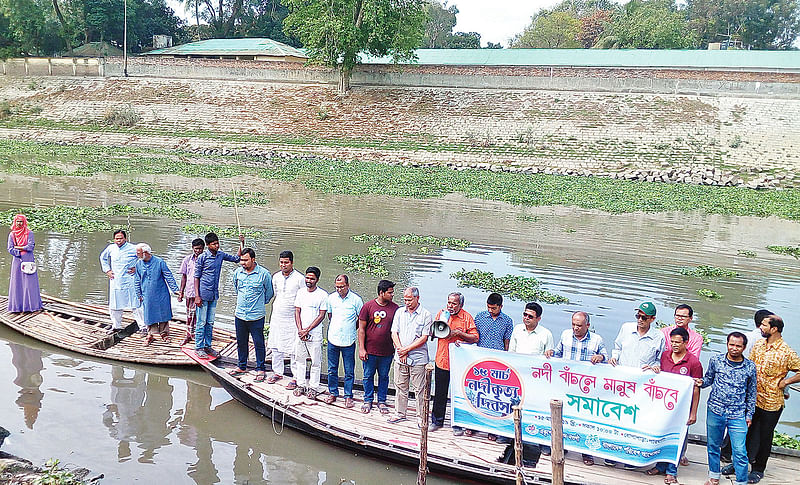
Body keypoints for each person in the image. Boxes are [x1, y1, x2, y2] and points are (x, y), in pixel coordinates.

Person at [735, 315, 800, 483]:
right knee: (745, 432)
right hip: (752, 398)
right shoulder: (758, 345)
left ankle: (758, 469)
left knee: (765, 436)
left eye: (764, 325)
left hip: (771, 402)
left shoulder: (786, 352)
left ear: (774, 329)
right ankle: (739, 464)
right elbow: (749, 367)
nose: (761, 328)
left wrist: (786, 382)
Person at [545, 311, 607, 465]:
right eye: (573, 324)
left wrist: (600, 357)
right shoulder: (566, 335)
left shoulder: (596, 340)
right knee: (562, 417)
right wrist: (551, 352)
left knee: (585, 419)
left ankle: (586, 453)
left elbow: (605, 357)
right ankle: (561, 447)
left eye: (579, 325)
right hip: (565, 385)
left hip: (585, 389)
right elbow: (558, 353)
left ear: (587, 325)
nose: (575, 328)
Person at [696, 332, 756, 485]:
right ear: (727, 344)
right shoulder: (716, 360)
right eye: (731, 345)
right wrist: (699, 382)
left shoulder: (750, 366)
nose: (734, 348)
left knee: (740, 450)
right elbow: (708, 379)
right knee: (713, 446)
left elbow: (752, 392)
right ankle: (714, 476)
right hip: (715, 410)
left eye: (738, 346)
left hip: (738, 414)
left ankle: (741, 481)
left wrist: (749, 414)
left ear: (743, 347)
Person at [647, 327, 703, 483]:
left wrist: (693, 412)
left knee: (676, 439)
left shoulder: (693, 362)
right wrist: (654, 369)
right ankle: (660, 465)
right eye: (672, 342)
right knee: (661, 435)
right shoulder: (665, 356)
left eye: (678, 342)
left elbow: (696, 389)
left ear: (686, 342)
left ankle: (671, 470)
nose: (674, 345)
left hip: (682, 409)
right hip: (664, 405)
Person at [430, 292, 478, 435]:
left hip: (459, 364)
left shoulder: (466, 317)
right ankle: (437, 421)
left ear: (461, 305)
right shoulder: (442, 313)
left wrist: (458, 334)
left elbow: (475, 338)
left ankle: (458, 424)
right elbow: (432, 334)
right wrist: (436, 329)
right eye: (449, 303)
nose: (450, 306)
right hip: (442, 360)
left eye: (454, 304)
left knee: (459, 395)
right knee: (440, 393)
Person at [470, 292, 515, 439]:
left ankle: (492, 429)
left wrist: (506, 361)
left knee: (495, 396)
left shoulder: (507, 321)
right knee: (477, 393)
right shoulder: (480, 317)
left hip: (497, 365)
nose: (490, 310)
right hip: (480, 362)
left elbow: (507, 343)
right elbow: (474, 337)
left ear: (501, 306)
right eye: (489, 307)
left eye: (494, 308)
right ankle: (473, 425)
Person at [388, 287, 433, 426]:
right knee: (401, 386)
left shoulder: (425, 315)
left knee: (420, 389)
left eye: (409, 300)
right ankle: (400, 413)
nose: (407, 302)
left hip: (418, 358)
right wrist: (400, 349)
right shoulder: (400, 312)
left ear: (417, 298)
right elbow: (394, 332)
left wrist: (406, 349)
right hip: (400, 357)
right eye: (405, 300)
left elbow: (424, 337)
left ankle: (421, 416)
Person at [193, 232, 243, 360]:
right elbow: (196, 277)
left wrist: (241, 243)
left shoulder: (220, 255)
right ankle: (199, 347)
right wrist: (197, 296)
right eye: (214, 244)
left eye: (217, 243)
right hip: (203, 294)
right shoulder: (202, 258)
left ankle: (207, 346)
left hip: (214, 294)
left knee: (210, 322)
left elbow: (236, 259)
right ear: (208, 245)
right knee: (201, 322)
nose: (217, 245)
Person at [228, 248, 273, 383]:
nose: (242, 263)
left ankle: (260, 368)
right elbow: (237, 289)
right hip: (240, 314)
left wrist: (259, 303)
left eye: (246, 260)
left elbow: (269, 293)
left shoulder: (264, 274)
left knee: (259, 342)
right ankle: (241, 366)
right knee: (241, 342)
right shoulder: (238, 273)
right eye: (241, 260)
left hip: (256, 316)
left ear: (253, 259)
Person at [357, 280, 399, 414]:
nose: (392, 295)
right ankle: (367, 400)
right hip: (370, 351)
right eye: (390, 292)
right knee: (368, 376)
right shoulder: (368, 307)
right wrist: (362, 348)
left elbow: (397, 330)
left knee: (384, 376)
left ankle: (381, 401)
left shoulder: (395, 309)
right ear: (381, 293)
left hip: (387, 351)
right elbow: (361, 329)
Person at [323, 275, 363, 408]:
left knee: (349, 370)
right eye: (337, 287)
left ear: (348, 285)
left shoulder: (356, 300)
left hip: (348, 341)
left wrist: (351, 327)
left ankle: (348, 396)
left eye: (342, 287)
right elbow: (330, 316)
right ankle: (333, 392)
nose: (339, 289)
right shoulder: (331, 298)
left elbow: (361, 320)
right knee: (332, 369)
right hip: (333, 339)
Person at [267, 251, 306, 385]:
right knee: (276, 345)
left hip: (292, 318)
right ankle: (277, 372)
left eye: (286, 262)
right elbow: (276, 294)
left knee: (294, 348)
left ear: (292, 263)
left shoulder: (300, 278)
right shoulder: (276, 277)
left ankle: (296, 377)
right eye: (281, 262)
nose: (283, 265)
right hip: (277, 316)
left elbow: (302, 299)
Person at [291, 267, 328, 399]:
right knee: (299, 360)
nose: (309, 280)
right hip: (300, 333)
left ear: (317, 280)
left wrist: (307, 330)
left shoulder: (323, 295)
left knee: (315, 362)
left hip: (315, 334)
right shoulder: (301, 293)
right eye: (307, 278)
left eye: (312, 278)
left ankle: (313, 387)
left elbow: (321, 315)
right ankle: (300, 385)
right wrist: (300, 329)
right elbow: (297, 311)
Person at [134, 244, 179, 346]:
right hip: (147, 293)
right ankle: (151, 334)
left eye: (139, 253)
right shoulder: (138, 264)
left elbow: (169, 276)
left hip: (161, 292)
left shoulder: (159, 262)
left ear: (146, 253)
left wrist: (175, 290)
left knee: (163, 313)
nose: (137, 255)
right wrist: (138, 293)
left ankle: (164, 333)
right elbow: (137, 280)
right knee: (149, 314)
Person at [99, 230, 144, 332]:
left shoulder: (133, 248)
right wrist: (107, 270)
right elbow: (103, 258)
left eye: (121, 238)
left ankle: (143, 326)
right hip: (116, 280)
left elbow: (144, 258)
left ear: (125, 239)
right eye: (116, 239)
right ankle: (116, 326)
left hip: (130, 280)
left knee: (136, 304)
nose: (118, 241)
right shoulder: (111, 248)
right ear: (114, 239)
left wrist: (137, 268)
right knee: (115, 304)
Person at [609, 301, 664, 371]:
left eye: (644, 318)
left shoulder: (659, 336)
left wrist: (655, 367)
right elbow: (618, 348)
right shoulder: (626, 328)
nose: (640, 320)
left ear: (652, 319)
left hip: (643, 376)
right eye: (638, 316)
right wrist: (614, 358)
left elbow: (659, 359)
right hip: (622, 372)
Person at [7, 214, 42, 313]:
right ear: (15, 222)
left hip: (28, 259)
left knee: (30, 283)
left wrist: (18, 247)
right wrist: (20, 251)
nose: (19, 223)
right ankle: (17, 307)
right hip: (17, 260)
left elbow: (30, 247)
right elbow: (10, 249)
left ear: (24, 222)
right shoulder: (12, 235)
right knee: (17, 282)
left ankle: (32, 306)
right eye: (17, 221)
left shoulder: (29, 233)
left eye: (21, 221)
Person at [177, 238, 205, 346]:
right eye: (196, 249)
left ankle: (199, 336)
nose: (198, 251)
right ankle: (188, 335)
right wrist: (181, 292)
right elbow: (184, 276)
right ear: (193, 248)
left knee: (201, 317)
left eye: (200, 249)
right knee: (190, 315)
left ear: (203, 249)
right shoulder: (187, 260)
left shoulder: (206, 259)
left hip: (202, 293)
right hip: (190, 291)